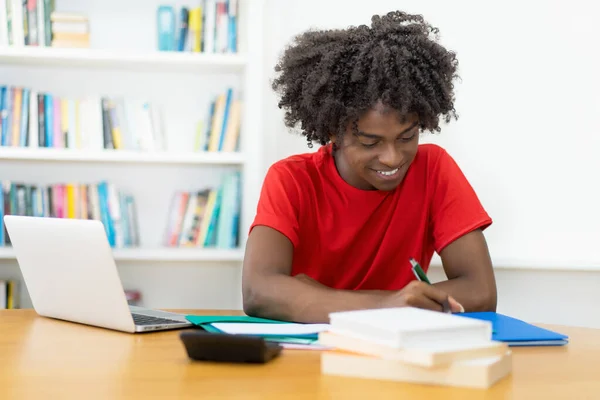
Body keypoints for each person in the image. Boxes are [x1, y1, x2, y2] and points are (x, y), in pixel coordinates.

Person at [242, 10, 497, 324]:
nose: (392, 157)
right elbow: (258, 291)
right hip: (308, 359)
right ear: (333, 131)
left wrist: (316, 298)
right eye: (369, 141)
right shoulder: (291, 179)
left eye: (408, 136)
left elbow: (481, 291)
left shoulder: (433, 169)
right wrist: (390, 304)